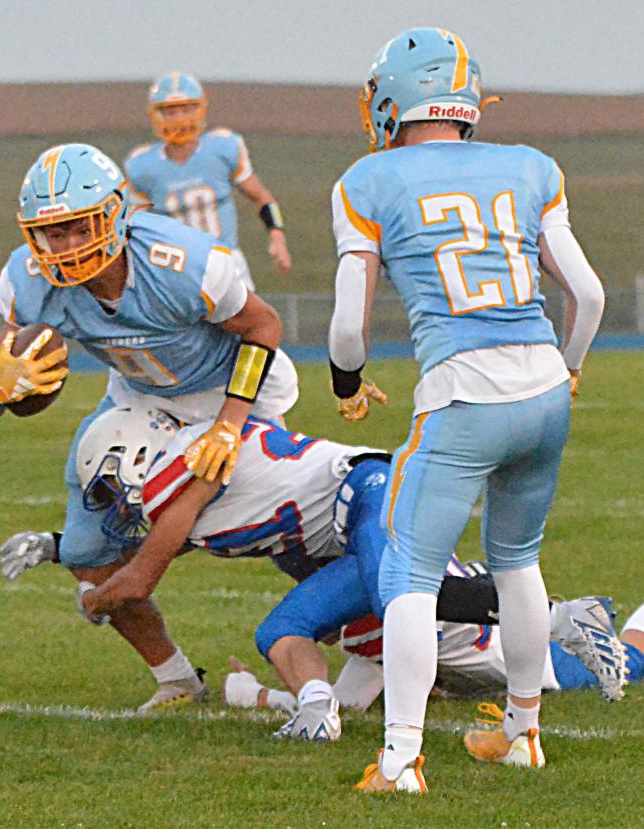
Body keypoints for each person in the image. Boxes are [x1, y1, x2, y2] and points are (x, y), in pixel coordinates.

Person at [325, 28, 604, 792]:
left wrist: (347, 381)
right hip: (545, 385)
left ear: (392, 99)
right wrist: (572, 366)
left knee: (409, 574)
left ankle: (400, 760)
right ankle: (522, 734)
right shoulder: (530, 167)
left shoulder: (368, 180)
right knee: (518, 561)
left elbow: (350, 324)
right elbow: (591, 294)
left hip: (463, 391)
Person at [76, 407, 622, 739]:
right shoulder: (188, 480)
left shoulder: (178, 467)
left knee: (395, 604)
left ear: (135, 453)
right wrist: (58, 549)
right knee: (313, 622)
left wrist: (93, 600)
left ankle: (564, 618)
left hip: (364, 497)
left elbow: (143, 576)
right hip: (352, 520)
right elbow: (157, 553)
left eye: (106, 485)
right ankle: (320, 712)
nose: (112, 503)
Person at [0, 142, 292, 712]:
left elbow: (264, 326)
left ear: (116, 212)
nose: (67, 246)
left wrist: (228, 425)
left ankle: (409, 640)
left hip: (231, 394)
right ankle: (177, 679)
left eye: (80, 227)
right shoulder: (27, 280)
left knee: (279, 532)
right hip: (141, 395)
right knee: (85, 549)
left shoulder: (181, 260)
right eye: (53, 233)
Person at [225, 589, 643, 716]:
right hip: (499, 632)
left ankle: (592, 620)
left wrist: (256, 695)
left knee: (632, 660)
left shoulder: (368, 629)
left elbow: (346, 705)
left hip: (536, 660)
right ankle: (588, 612)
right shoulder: (387, 589)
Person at [123, 72, 291, 289]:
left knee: (253, 321)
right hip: (176, 270)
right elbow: (132, 226)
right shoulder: (142, 167)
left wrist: (278, 238)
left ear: (200, 110)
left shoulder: (222, 148)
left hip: (227, 262)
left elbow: (262, 197)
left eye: (186, 109)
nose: (180, 119)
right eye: (171, 112)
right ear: (156, 115)